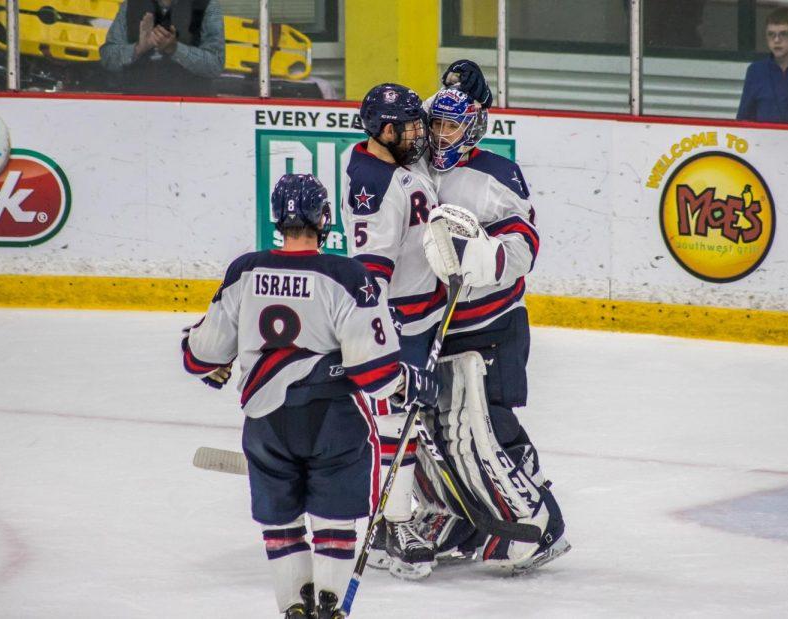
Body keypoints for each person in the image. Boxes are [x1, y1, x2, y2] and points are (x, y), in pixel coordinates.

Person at [181, 173, 438, 618]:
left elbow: (201, 355)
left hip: (265, 423)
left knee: (281, 524)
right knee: (334, 524)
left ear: (277, 218)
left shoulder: (245, 270)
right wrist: (413, 383)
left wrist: (211, 361)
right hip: (333, 420)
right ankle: (331, 608)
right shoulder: (347, 275)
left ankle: (293, 609)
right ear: (325, 218)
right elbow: (375, 374)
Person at [409, 62, 571, 574]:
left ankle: (532, 512)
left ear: (474, 125)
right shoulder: (418, 168)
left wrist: (488, 258)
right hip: (441, 324)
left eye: (451, 127)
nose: (439, 135)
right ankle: (459, 515)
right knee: (439, 428)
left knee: (489, 423)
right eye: (436, 124)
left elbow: (525, 242)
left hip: (493, 324)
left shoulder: (497, 173)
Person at [340, 83, 444, 579]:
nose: (419, 134)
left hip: (422, 316)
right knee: (395, 424)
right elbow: (370, 279)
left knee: (410, 424)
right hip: (398, 322)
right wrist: (388, 346)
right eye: (408, 127)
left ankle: (393, 514)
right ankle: (394, 526)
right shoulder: (373, 186)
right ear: (383, 131)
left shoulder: (395, 160)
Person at [99, 0, 224, 96]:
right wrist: (138, 48)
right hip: (137, 108)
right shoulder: (130, 5)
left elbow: (216, 64)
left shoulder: (208, 6)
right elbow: (107, 58)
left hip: (191, 110)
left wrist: (175, 49)